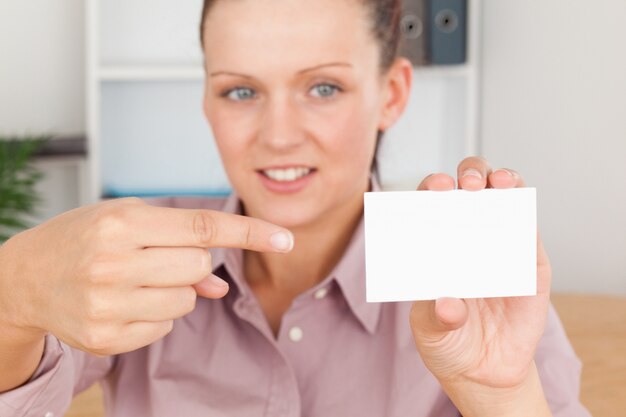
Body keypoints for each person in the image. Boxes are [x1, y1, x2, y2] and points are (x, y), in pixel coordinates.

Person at [0, 0, 591, 416]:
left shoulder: (476, 286)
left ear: (392, 94)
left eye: (323, 88)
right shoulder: (132, 251)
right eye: (241, 91)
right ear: (207, 101)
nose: (278, 136)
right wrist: (11, 300)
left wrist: (505, 399)